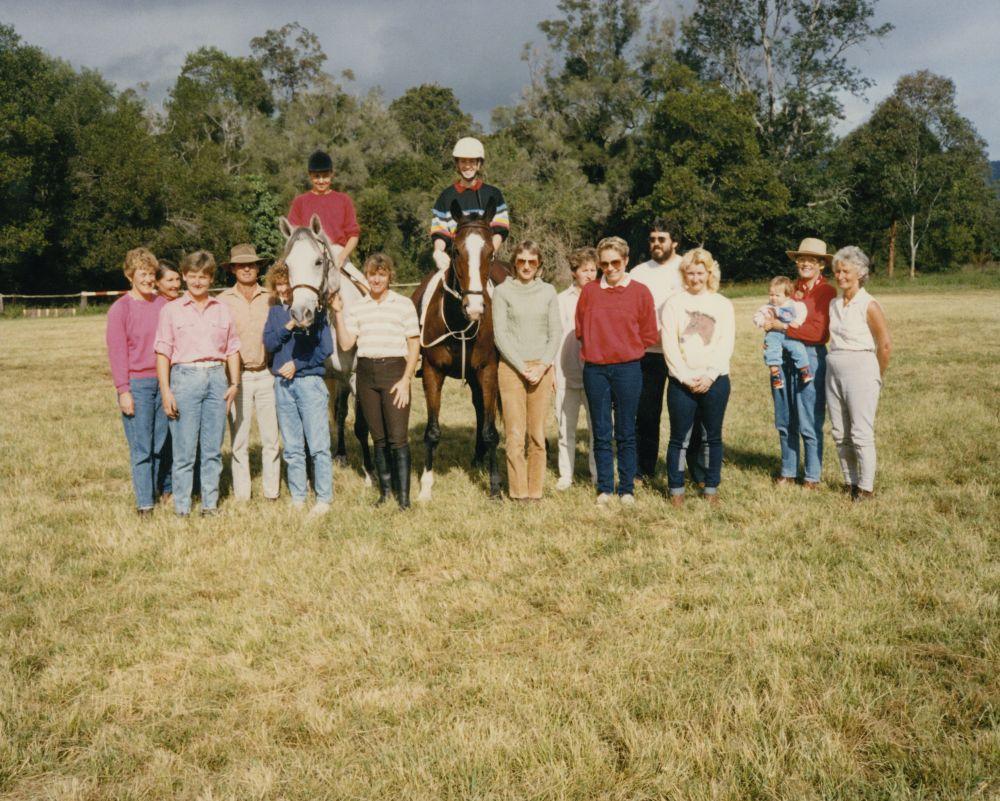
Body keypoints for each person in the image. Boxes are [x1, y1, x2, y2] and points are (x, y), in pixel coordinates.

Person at [155, 251, 242, 517]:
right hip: (185, 379)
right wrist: (166, 390)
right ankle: (182, 507)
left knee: (212, 449)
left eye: (203, 277)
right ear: (184, 277)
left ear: (211, 278)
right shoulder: (171, 310)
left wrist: (234, 382)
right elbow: (163, 353)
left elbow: (232, 349)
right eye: (192, 276)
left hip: (216, 378)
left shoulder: (222, 309)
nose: (197, 282)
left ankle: (210, 505)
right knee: (184, 451)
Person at [331, 254, 420, 509]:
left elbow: (414, 344)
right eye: (372, 274)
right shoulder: (359, 307)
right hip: (367, 374)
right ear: (367, 277)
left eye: (382, 274)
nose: (377, 279)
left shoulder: (403, 304)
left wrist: (406, 380)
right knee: (378, 438)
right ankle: (385, 493)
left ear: (390, 276)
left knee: (398, 437)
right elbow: (347, 343)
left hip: (394, 372)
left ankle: (403, 500)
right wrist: (338, 314)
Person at [576, 236, 658, 506]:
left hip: (628, 369)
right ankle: (604, 488)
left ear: (626, 260)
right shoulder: (589, 292)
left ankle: (626, 488)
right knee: (601, 431)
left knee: (626, 430)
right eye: (604, 263)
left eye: (615, 262)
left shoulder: (641, 292)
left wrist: (625, 349)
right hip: (596, 370)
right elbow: (580, 329)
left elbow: (648, 333)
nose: (610, 268)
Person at [661, 248, 736, 506]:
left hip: (715, 380)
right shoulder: (674, 303)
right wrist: (683, 376)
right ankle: (676, 488)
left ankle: (711, 487)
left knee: (712, 436)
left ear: (709, 273)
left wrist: (710, 375)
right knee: (678, 437)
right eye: (690, 273)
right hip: (682, 382)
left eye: (700, 273)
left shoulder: (722, 304)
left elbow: (726, 343)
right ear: (684, 274)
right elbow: (669, 344)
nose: (695, 278)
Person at [765, 237, 838, 489]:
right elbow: (770, 314)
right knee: (784, 418)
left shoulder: (826, 291)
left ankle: (812, 475)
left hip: (811, 359)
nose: (805, 263)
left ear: (821, 265)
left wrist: (781, 326)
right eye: (801, 259)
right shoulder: (789, 289)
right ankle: (788, 469)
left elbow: (819, 333)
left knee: (809, 419)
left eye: (811, 259)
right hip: (784, 358)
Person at [263, 262, 335, 516]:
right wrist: (289, 326)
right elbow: (269, 343)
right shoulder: (274, 313)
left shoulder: (316, 312)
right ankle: (298, 495)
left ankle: (324, 497)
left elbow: (325, 349)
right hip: (283, 385)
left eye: (288, 285)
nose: (283, 290)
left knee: (317, 445)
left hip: (309, 383)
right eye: (279, 285)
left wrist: (297, 364)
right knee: (292, 447)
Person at [492, 241, 561, 501]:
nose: (527, 266)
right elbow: (501, 335)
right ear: (514, 263)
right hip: (511, 369)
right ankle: (518, 493)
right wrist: (522, 367)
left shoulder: (548, 292)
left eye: (532, 261)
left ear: (539, 264)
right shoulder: (502, 292)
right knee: (514, 435)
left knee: (537, 434)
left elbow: (555, 333)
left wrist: (542, 365)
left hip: (541, 369)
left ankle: (535, 492)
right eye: (522, 261)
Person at [410, 137, 511, 313]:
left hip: (485, 257)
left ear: (479, 164)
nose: (467, 166)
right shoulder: (446, 196)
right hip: (454, 259)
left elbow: (500, 229)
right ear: (457, 164)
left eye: (472, 162)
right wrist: (438, 251)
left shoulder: (493, 194)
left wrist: (490, 252)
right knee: (419, 297)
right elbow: (440, 231)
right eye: (463, 161)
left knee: (509, 292)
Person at [106, 247, 169, 515]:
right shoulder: (120, 309)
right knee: (142, 447)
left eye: (152, 274)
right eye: (142, 274)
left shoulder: (163, 305)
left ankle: (158, 489)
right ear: (129, 275)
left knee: (160, 444)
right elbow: (117, 352)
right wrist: (123, 391)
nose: (147, 279)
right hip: (138, 385)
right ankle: (145, 504)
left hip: (164, 381)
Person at [826, 246, 892, 502]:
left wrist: (876, 376)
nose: (840, 276)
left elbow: (884, 344)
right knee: (839, 432)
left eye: (846, 271)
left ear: (860, 273)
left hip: (861, 369)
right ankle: (849, 481)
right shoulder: (834, 303)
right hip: (834, 369)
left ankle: (866, 487)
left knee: (860, 432)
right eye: (837, 271)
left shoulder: (869, 304)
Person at [219, 244, 281, 502]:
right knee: (239, 440)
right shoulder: (222, 301)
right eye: (241, 264)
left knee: (271, 438)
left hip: (267, 373)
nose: (246, 268)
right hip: (237, 378)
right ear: (233, 268)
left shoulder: (271, 297)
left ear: (258, 268)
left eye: (251, 264)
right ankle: (243, 494)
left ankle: (271, 492)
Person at [630, 218, 684, 481]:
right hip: (647, 354)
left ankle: (686, 468)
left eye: (661, 239)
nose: (656, 244)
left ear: (674, 241)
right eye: (652, 239)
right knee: (646, 414)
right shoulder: (639, 272)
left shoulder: (688, 268)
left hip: (682, 354)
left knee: (683, 415)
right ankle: (644, 469)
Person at [554, 247, 598, 491]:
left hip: (594, 374)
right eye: (584, 270)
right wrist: (552, 372)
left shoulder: (602, 296)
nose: (590, 274)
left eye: (593, 269)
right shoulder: (562, 300)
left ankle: (597, 474)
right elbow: (555, 336)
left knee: (597, 430)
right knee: (565, 429)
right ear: (574, 272)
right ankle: (565, 475)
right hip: (566, 372)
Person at [287, 149, 362, 279]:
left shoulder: (344, 200)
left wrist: (342, 256)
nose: (321, 181)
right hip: (309, 257)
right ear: (310, 175)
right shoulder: (300, 202)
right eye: (317, 176)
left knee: (365, 286)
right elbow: (293, 237)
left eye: (325, 176)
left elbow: (353, 235)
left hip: (339, 255)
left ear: (332, 174)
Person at [752, 275, 812, 390]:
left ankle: (804, 370)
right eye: (771, 295)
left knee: (798, 348)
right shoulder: (767, 307)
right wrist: (763, 323)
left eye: (777, 295)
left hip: (788, 333)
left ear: (787, 295)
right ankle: (776, 375)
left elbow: (802, 312)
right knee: (771, 351)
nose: (773, 298)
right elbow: (756, 317)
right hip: (773, 334)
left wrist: (797, 322)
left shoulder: (794, 305)